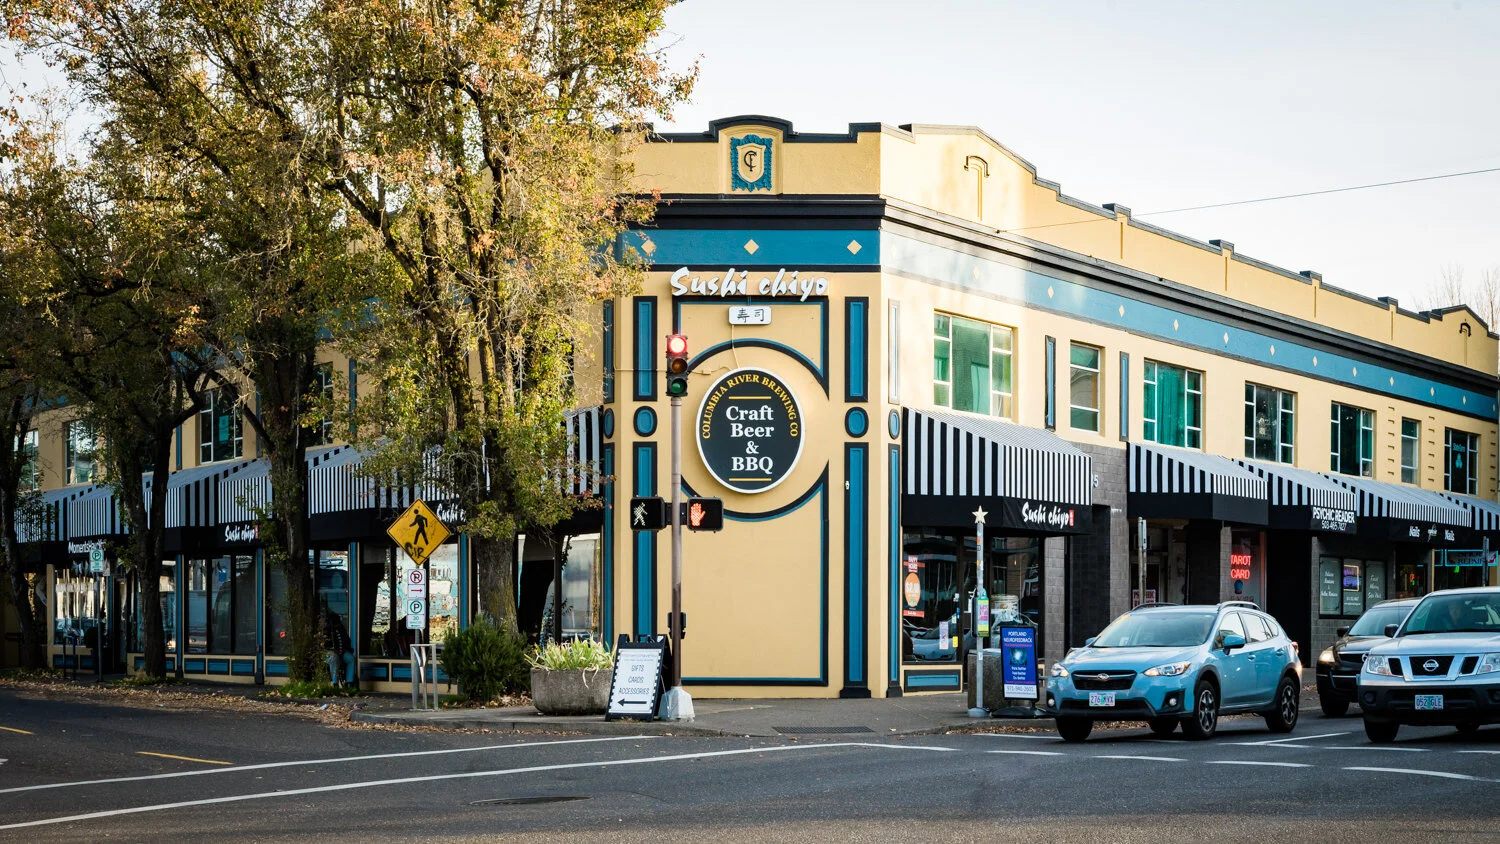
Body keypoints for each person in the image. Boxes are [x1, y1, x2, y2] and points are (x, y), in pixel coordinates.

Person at [323, 606, 350, 688]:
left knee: (351, 659)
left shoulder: (341, 629)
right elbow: (325, 644)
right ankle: (335, 682)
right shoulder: (326, 630)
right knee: (334, 658)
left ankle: (350, 681)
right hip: (330, 653)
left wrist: (346, 650)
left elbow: (346, 640)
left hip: (342, 652)